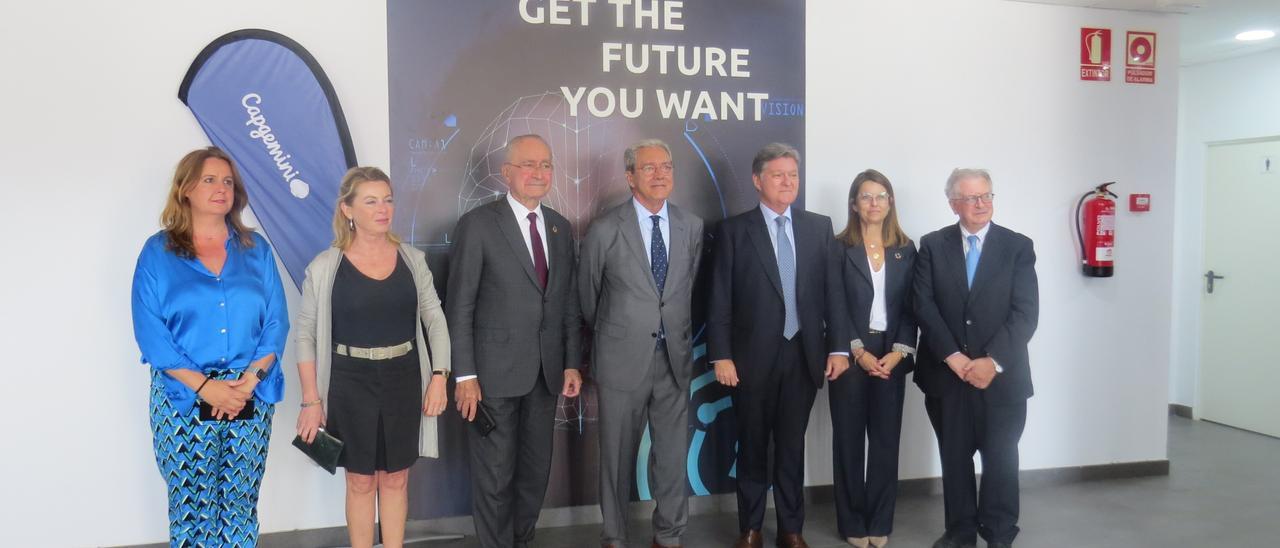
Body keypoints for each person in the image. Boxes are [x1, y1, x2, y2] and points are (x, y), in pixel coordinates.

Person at [131, 146, 288, 546]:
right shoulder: (158, 252)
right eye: (209, 180)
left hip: (247, 396)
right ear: (185, 189)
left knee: (239, 506)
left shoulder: (258, 250)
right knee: (191, 509)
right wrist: (205, 387)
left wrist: (247, 382)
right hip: (182, 398)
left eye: (228, 182)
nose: (221, 189)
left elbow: (276, 323)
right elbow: (152, 334)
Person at [294, 167, 451, 548]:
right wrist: (312, 400)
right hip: (349, 382)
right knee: (361, 480)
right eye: (371, 201)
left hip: (403, 378)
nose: (383, 209)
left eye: (388, 199)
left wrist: (440, 376)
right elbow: (305, 336)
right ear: (347, 209)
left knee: (396, 477)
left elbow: (435, 319)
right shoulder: (325, 267)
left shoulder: (413, 261)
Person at [707, 143, 851, 548]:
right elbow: (719, 299)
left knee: (791, 446)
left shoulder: (818, 227)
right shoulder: (735, 230)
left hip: (804, 355)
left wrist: (838, 348)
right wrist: (722, 355)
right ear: (757, 180)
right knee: (752, 445)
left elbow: (833, 295)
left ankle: (791, 528)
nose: (788, 182)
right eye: (778, 175)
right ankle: (750, 527)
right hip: (750, 360)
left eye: (793, 175)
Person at [446, 134, 583, 548]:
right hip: (490, 379)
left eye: (545, 164)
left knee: (534, 472)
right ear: (507, 173)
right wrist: (465, 374)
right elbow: (460, 306)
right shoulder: (479, 224)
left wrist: (572, 362)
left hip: (545, 375)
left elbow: (568, 304)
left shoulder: (560, 227)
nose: (538, 173)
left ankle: (522, 542)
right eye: (528, 164)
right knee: (494, 476)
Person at [578, 139, 704, 548]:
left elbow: (685, 291)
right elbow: (588, 297)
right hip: (621, 360)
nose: (660, 174)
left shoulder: (692, 226)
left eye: (666, 166)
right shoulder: (604, 229)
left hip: (674, 359)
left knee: (671, 457)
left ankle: (669, 535)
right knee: (615, 458)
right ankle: (614, 536)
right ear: (630, 177)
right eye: (649, 168)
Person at [913, 169, 1039, 548]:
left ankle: (1000, 535)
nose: (981, 204)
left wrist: (991, 361)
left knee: (1001, 461)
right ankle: (960, 532)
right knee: (955, 460)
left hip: (1002, 379)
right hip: (946, 377)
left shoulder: (1017, 246)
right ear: (953, 203)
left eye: (986, 195)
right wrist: (953, 356)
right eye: (971, 198)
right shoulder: (933, 245)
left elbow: (1026, 312)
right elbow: (923, 304)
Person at [830, 170, 918, 548]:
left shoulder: (906, 248)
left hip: (893, 352)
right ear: (854, 204)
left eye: (881, 196)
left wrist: (898, 353)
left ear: (891, 202)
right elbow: (833, 305)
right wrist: (858, 351)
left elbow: (913, 307)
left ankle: (880, 520)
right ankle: (852, 521)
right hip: (850, 353)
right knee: (848, 440)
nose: (874, 203)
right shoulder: (837, 247)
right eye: (866, 197)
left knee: (885, 441)